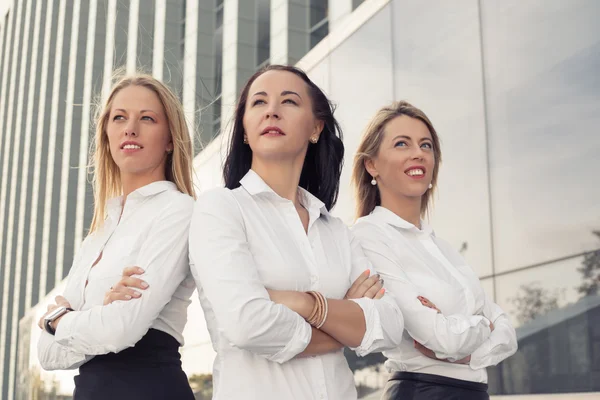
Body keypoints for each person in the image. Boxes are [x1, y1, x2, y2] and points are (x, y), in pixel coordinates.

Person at [187, 65, 404, 399]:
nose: (272, 110)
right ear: (245, 129)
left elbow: (388, 325)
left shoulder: (337, 233)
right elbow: (249, 324)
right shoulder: (220, 209)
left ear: (315, 127)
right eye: (258, 103)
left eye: (288, 101)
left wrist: (304, 304)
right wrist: (344, 320)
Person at [36, 73, 196, 400]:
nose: (130, 128)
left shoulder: (179, 210)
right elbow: (47, 355)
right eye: (119, 117)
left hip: (150, 389)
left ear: (170, 138)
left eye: (147, 118)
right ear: (106, 133)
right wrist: (100, 312)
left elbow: (123, 328)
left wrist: (58, 321)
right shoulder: (97, 235)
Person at [351, 101, 518, 400]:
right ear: (371, 164)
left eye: (425, 145)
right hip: (423, 392)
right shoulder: (368, 235)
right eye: (402, 143)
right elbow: (440, 337)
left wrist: (468, 345)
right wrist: (485, 326)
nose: (418, 153)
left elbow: (508, 335)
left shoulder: (442, 247)